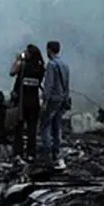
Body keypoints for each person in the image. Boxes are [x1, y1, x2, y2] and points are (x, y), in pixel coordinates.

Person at [9, 44, 46, 161]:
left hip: (22, 102)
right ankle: (31, 153)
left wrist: (17, 60)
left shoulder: (23, 66)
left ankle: (18, 152)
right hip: (34, 102)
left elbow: (12, 72)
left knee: (19, 127)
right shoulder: (40, 68)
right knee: (32, 129)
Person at [39, 40, 71, 169]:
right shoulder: (65, 65)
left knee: (45, 126)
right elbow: (67, 85)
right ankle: (56, 152)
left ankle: (47, 152)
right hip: (62, 99)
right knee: (57, 127)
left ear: (48, 50)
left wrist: (45, 101)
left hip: (52, 100)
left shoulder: (51, 65)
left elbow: (49, 85)